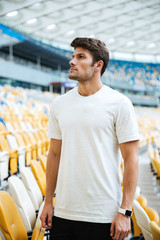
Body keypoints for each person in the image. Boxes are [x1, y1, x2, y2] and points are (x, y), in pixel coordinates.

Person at [40, 37, 139, 240]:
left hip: (104, 214)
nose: (72, 61)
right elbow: (55, 155)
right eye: (73, 56)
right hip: (64, 213)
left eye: (81, 57)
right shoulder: (59, 104)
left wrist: (125, 211)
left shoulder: (119, 103)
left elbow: (131, 159)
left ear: (98, 65)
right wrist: (48, 201)